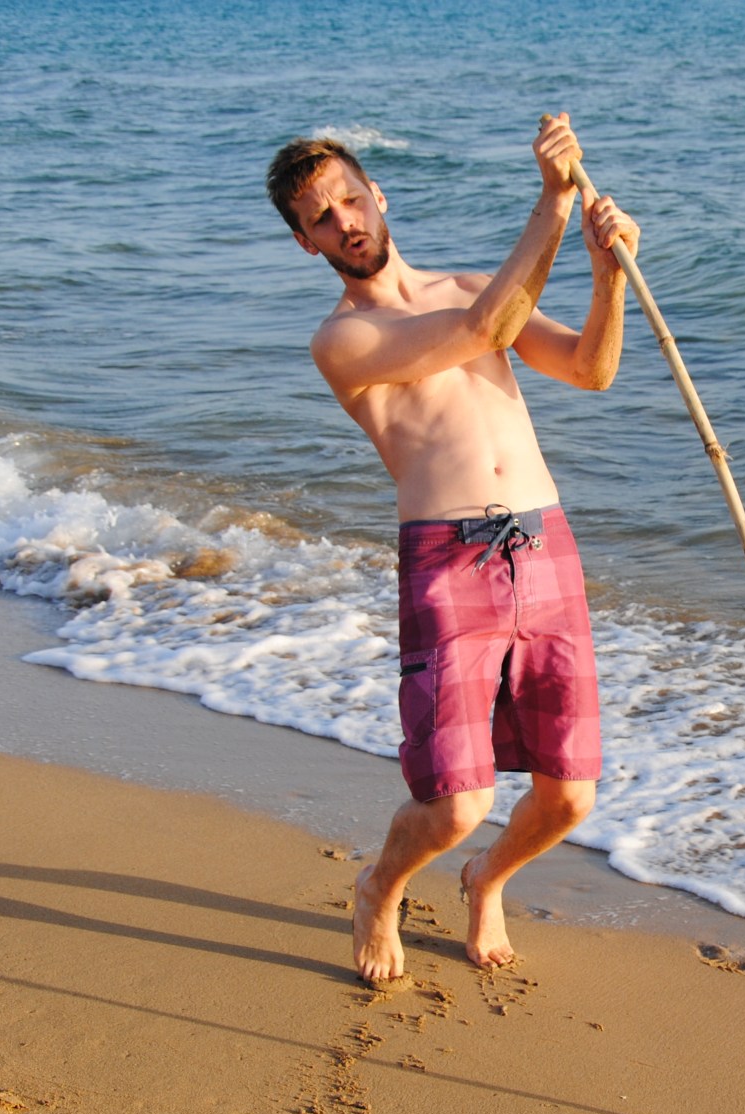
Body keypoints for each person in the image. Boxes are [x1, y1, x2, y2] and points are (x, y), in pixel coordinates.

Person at [265, 113, 639, 979]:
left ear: (378, 195)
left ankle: (487, 881)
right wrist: (550, 205)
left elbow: (591, 368)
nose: (346, 222)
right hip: (448, 562)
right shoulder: (342, 340)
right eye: (322, 218)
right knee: (455, 803)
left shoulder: (473, 282)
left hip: (546, 547)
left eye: (351, 199)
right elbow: (480, 332)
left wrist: (603, 271)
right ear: (303, 241)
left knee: (569, 795)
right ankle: (378, 887)